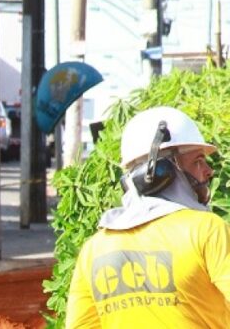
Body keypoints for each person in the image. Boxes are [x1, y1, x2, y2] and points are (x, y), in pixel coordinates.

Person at [65, 106, 230, 327]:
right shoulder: (207, 230)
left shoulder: (95, 249)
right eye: (198, 161)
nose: (209, 171)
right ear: (158, 174)